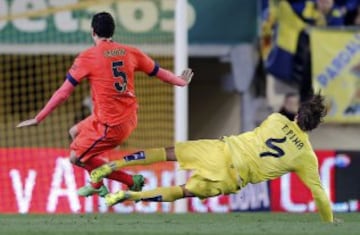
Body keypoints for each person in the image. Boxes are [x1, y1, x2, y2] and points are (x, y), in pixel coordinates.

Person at [16, 12, 193, 197]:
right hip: (126, 117)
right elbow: (158, 71)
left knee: (75, 157)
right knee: (74, 132)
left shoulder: (88, 57)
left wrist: (39, 118)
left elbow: (63, 93)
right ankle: (98, 181)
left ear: (93, 31)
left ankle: (124, 181)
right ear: (113, 31)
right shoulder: (130, 52)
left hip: (111, 126)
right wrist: (180, 81)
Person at [87, 93, 333, 222]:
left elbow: (286, 122)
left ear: (298, 112)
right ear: (315, 126)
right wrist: (328, 222)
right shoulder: (306, 156)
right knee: (183, 191)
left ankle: (116, 164)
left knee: (168, 152)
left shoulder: (276, 119)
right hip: (233, 177)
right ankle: (131, 196)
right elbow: (320, 195)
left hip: (221, 150)